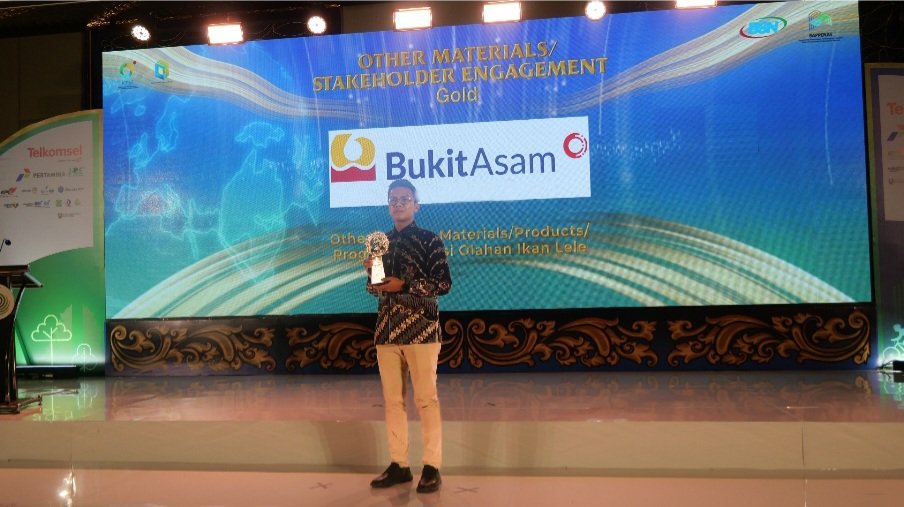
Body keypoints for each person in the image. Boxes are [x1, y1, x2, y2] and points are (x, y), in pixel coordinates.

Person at [363, 178, 452, 494]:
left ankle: (432, 466)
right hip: (387, 332)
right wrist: (372, 273)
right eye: (393, 199)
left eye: (404, 199)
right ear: (388, 205)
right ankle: (399, 464)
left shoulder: (430, 240)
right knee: (393, 401)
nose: (398, 204)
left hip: (422, 331)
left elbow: (443, 284)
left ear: (416, 205)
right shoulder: (380, 242)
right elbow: (375, 289)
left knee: (426, 400)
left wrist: (406, 285)